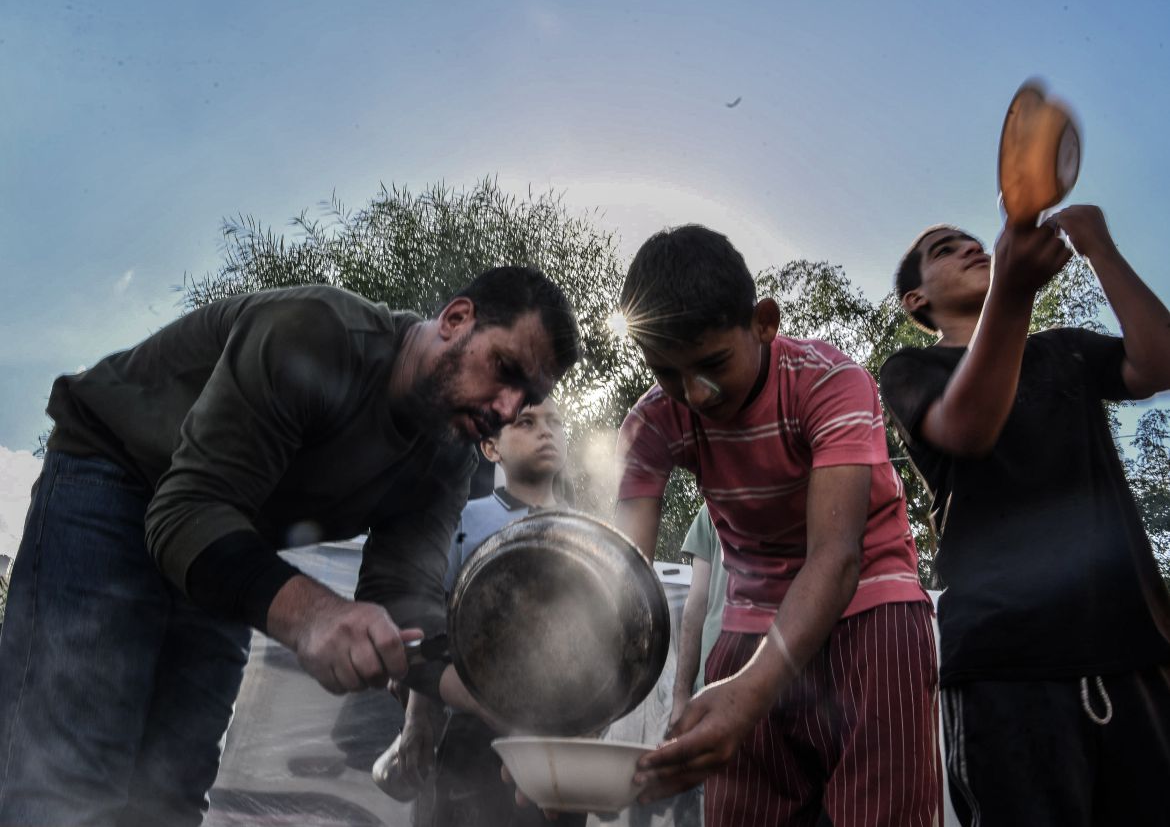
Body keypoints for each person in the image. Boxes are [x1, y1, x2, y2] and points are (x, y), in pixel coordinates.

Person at [0, 268, 580, 827]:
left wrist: (506, 708)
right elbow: (184, 512)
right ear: (455, 320)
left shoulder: (449, 455)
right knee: (70, 778)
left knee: (171, 793)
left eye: (526, 396)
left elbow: (404, 600)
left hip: (225, 543)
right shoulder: (317, 333)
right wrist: (315, 616)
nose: (506, 410)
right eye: (504, 369)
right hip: (116, 474)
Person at [615, 224, 940, 826]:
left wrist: (749, 696)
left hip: (871, 611)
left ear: (763, 322)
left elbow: (837, 557)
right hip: (750, 620)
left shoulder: (830, 381)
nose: (695, 394)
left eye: (713, 363)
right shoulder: (653, 422)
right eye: (667, 373)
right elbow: (623, 584)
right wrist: (572, 728)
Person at [879, 206, 1170, 826]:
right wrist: (1012, 290)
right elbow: (969, 428)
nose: (969, 248)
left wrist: (1101, 248)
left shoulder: (1065, 349)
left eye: (972, 241)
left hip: (1131, 651)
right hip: (1005, 663)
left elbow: (1160, 363)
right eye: (944, 250)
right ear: (916, 300)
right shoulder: (911, 369)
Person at [378, 396, 585, 827]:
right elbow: (429, 629)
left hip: (558, 736)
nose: (546, 431)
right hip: (472, 729)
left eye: (555, 422)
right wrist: (417, 718)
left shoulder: (586, 533)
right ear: (491, 448)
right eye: (526, 423)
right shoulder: (463, 522)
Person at [670, 504, 726, 728]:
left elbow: (696, 605)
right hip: (712, 682)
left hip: (782, 685)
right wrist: (681, 696)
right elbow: (696, 606)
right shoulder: (712, 506)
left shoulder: (715, 502)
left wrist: (681, 696)